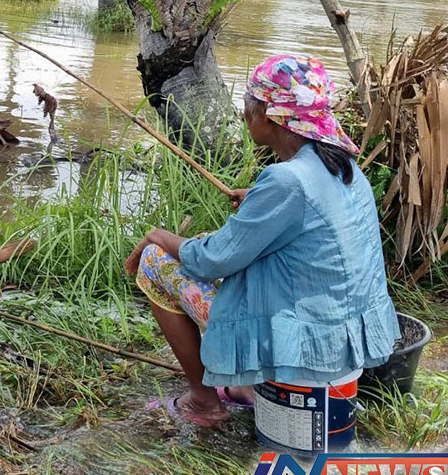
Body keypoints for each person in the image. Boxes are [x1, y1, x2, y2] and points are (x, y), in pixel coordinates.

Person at [125, 54, 400, 428]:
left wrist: (158, 235)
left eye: (248, 105)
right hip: (340, 344)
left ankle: (204, 403)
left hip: (303, 350)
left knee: (156, 261)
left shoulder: (287, 182)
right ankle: (244, 387)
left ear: (270, 116)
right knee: (204, 245)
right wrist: (258, 200)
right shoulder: (344, 166)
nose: (244, 114)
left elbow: (211, 260)